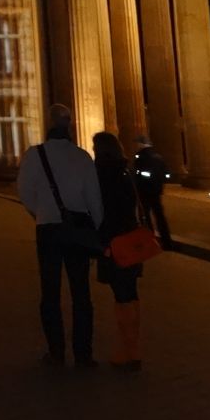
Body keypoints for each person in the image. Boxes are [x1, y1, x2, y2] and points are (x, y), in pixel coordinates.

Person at [17, 103, 104, 369]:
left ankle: (56, 352)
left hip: (49, 230)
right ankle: (83, 353)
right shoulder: (82, 157)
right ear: (70, 126)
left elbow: (24, 192)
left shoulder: (34, 155)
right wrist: (94, 232)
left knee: (50, 292)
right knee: (81, 293)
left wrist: (41, 213)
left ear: (48, 124)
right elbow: (95, 201)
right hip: (78, 229)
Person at [92, 131, 145, 372]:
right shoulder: (126, 172)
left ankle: (127, 351)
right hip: (132, 238)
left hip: (114, 242)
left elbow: (101, 211)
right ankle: (133, 348)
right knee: (131, 293)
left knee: (121, 295)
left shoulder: (102, 175)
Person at [132, 135, 172, 250]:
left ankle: (149, 241)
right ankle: (167, 242)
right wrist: (160, 183)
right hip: (157, 191)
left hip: (144, 191)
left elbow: (139, 174)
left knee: (145, 217)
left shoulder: (141, 158)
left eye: (137, 143)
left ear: (141, 144)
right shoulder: (158, 157)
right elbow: (167, 174)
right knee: (160, 216)